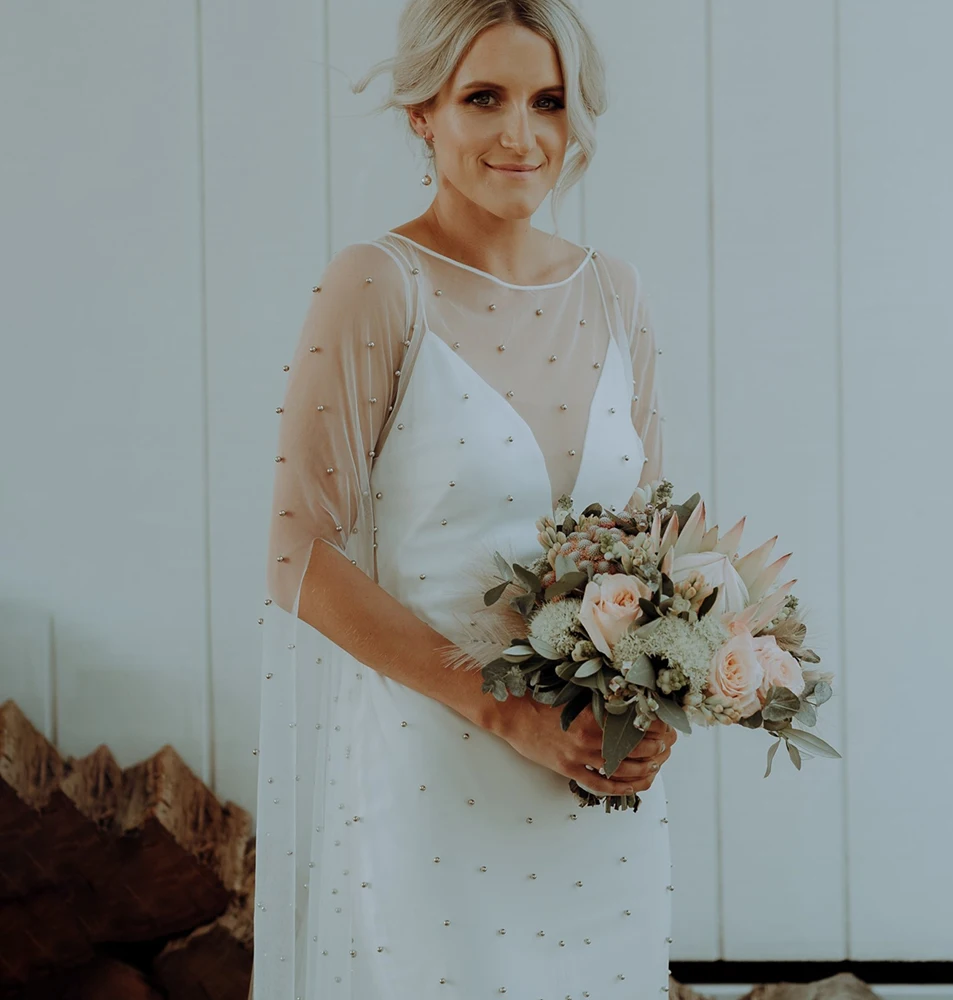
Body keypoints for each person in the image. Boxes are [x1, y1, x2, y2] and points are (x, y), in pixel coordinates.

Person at [251, 2, 677, 996]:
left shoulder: (617, 293)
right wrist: (508, 714)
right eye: (483, 97)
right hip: (434, 776)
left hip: (596, 788)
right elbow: (295, 554)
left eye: (549, 101)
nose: (520, 134)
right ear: (421, 113)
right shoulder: (377, 284)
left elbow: (656, 549)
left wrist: (656, 704)